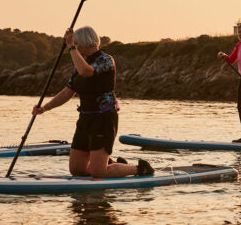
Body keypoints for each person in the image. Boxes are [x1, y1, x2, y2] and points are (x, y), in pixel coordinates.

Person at [32, 27, 154, 177]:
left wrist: (70, 46)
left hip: (103, 119)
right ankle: (114, 165)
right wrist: (44, 108)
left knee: (98, 172)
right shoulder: (79, 64)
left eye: (76, 44)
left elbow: (86, 71)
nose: (75, 47)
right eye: (74, 44)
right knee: (77, 170)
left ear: (83, 44)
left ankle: (140, 169)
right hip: (85, 119)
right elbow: (68, 91)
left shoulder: (105, 60)